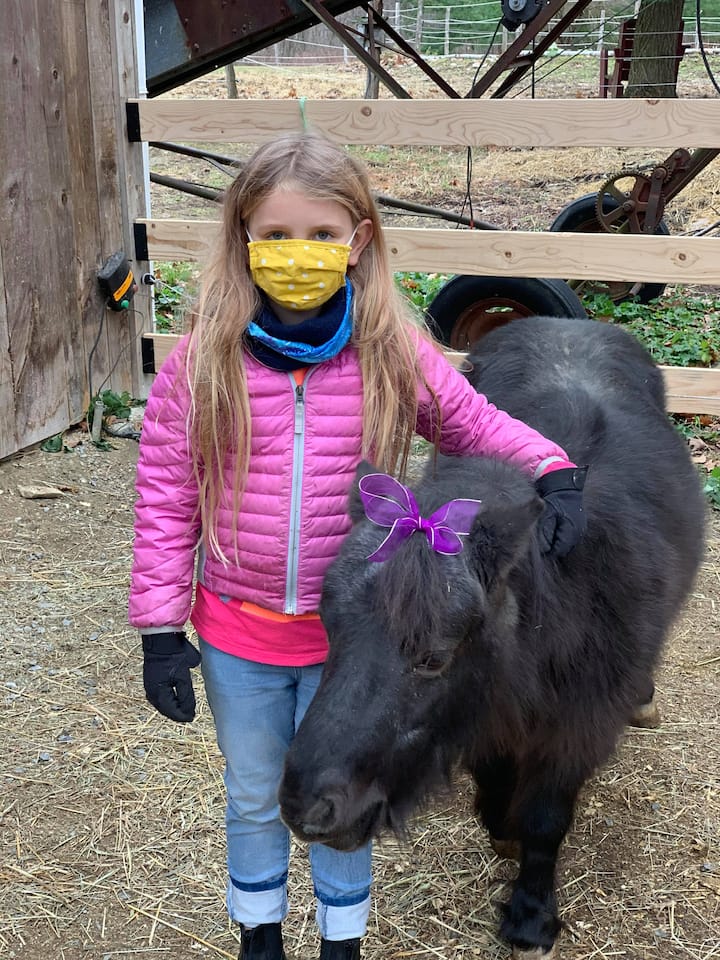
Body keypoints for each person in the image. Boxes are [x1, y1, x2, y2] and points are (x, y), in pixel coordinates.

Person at [129, 132, 587, 960]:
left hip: (356, 639)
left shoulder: (389, 351)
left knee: (348, 788)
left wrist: (551, 468)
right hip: (239, 632)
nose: (296, 253)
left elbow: (472, 421)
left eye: (320, 234)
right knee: (256, 795)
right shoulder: (199, 363)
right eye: (275, 235)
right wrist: (161, 628)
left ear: (358, 239)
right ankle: (260, 934)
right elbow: (165, 496)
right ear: (242, 237)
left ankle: (342, 942)